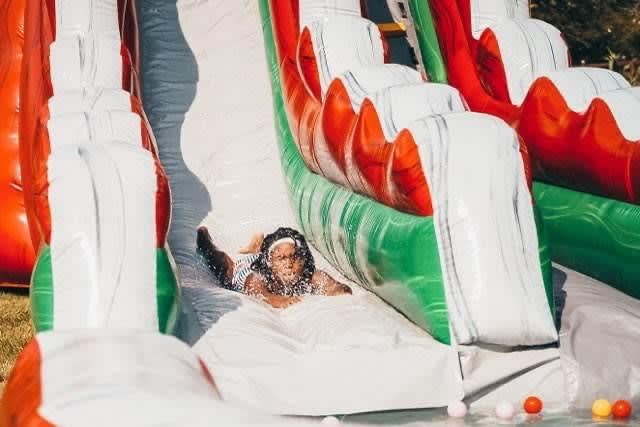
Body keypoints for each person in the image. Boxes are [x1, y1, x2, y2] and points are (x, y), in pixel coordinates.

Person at [196, 226, 352, 308]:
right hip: (246, 269)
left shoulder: (308, 275)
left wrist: (336, 290)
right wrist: (279, 300)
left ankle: (258, 246)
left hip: (263, 259)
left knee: (274, 253)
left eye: (294, 257)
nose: (289, 264)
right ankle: (205, 241)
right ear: (270, 262)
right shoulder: (257, 279)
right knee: (224, 269)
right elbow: (263, 294)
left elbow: (337, 287)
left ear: (302, 259)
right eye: (282, 259)